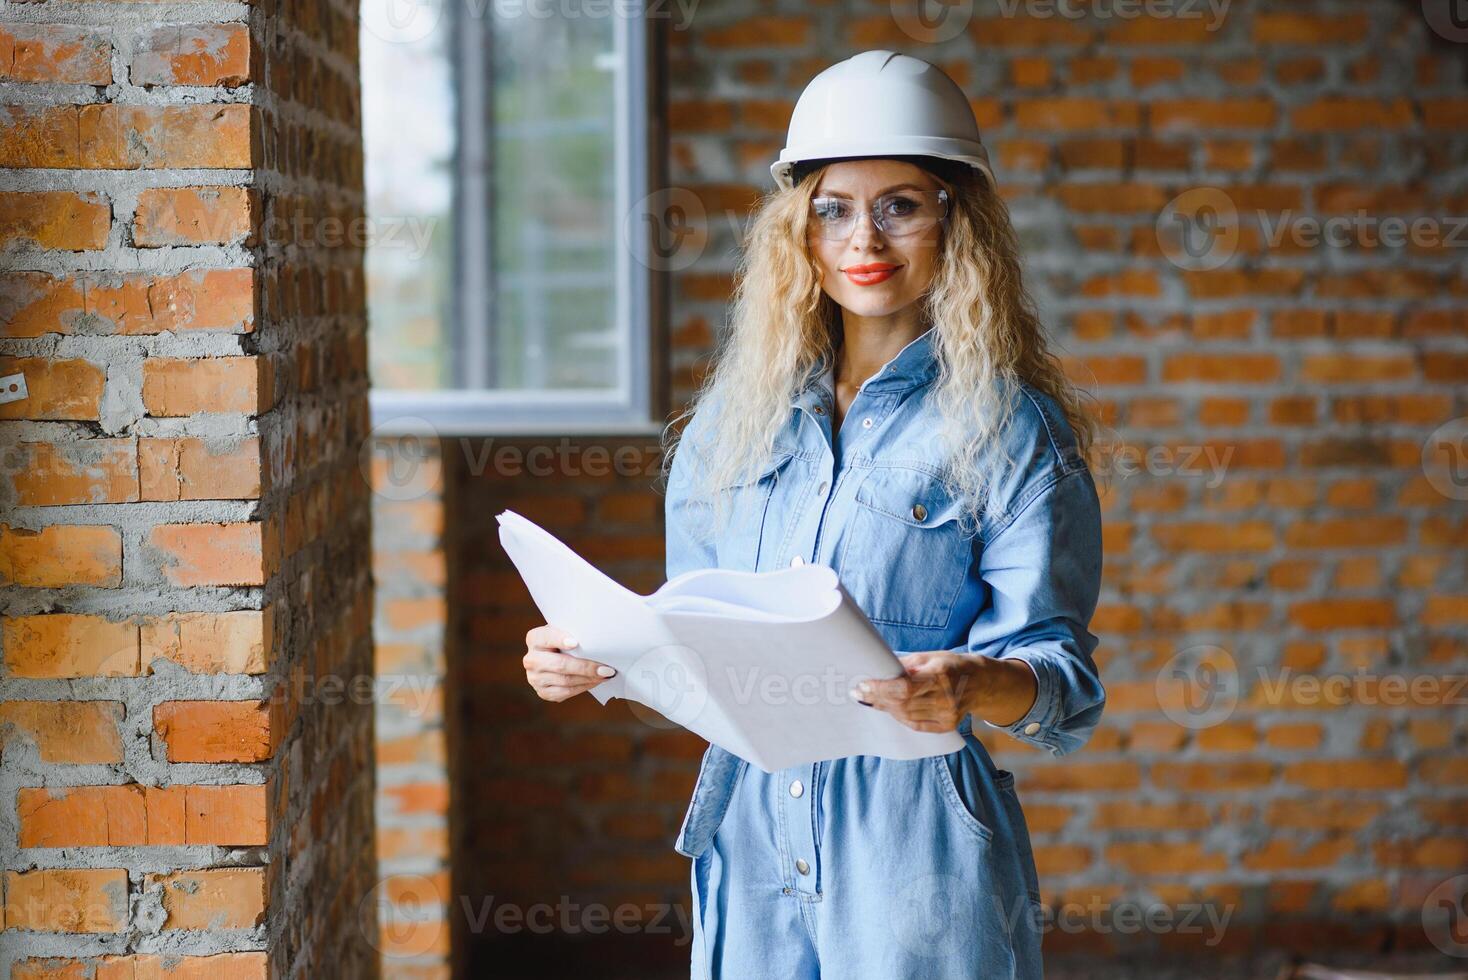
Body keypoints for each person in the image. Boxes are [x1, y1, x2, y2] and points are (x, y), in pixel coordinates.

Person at [522, 49, 1105, 979]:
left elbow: (1064, 690)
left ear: (958, 220)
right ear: (797, 227)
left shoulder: (1008, 428)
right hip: (750, 832)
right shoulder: (734, 420)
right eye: (832, 208)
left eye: (900, 205)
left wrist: (968, 685)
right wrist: (596, 661)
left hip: (917, 844)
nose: (863, 239)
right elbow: (700, 641)